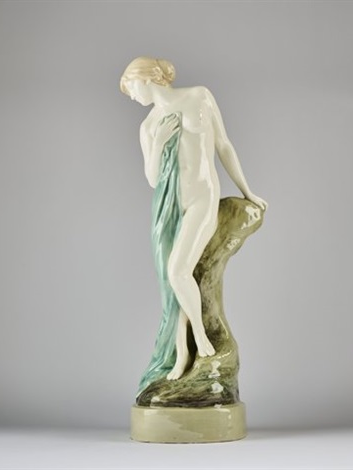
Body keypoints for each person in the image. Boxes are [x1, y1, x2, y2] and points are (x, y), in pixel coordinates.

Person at [120, 57, 267, 389]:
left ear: (146, 78)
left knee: (178, 271)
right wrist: (159, 142)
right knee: (176, 279)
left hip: (203, 198)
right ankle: (182, 350)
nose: (132, 96)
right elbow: (153, 179)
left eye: (131, 88)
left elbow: (223, 145)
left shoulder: (199, 96)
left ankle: (198, 337)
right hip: (171, 206)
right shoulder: (148, 126)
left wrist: (248, 192)